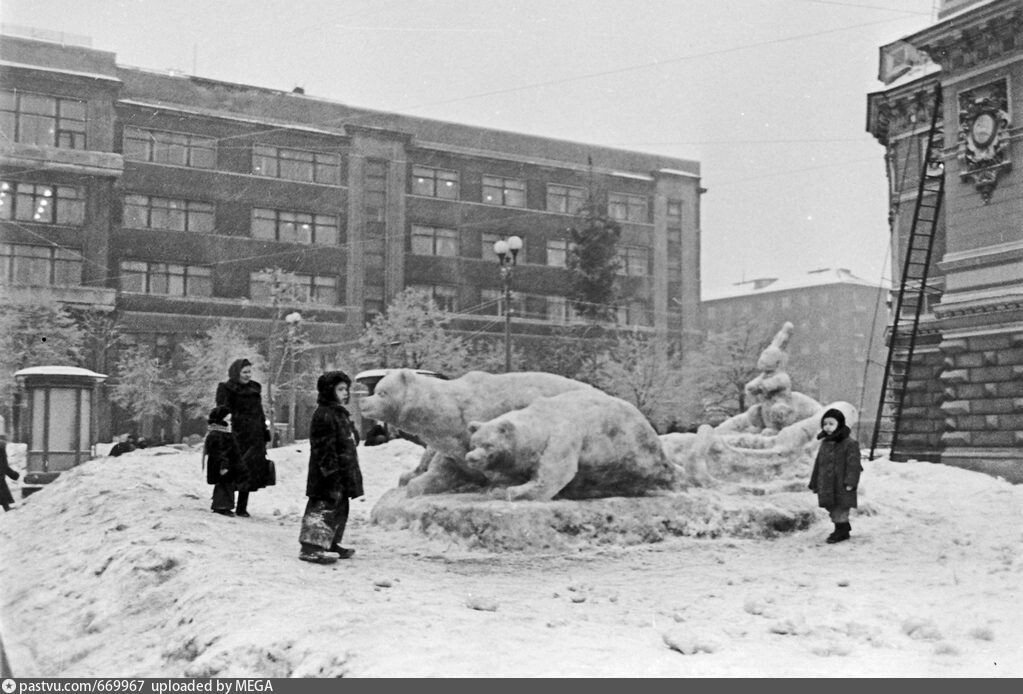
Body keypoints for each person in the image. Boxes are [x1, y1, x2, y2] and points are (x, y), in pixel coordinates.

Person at [299, 370, 364, 565]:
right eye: (340, 389)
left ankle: (331, 543)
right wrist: (330, 472)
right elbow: (323, 447)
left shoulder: (339, 414)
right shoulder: (324, 414)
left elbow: (347, 441)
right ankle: (311, 547)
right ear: (329, 391)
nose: (345, 393)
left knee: (339, 509)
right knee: (322, 509)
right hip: (327, 475)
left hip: (342, 473)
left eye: (346, 389)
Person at [215, 358, 272, 518]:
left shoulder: (254, 389)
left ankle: (242, 507)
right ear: (236, 373)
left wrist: (264, 431)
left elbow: (259, 412)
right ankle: (222, 504)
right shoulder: (226, 389)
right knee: (229, 468)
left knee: (249, 470)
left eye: (249, 372)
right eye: (244, 372)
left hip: (254, 437)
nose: (248, 375)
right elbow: (222, 411)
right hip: (235, 435)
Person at [808, 407, 863, 544]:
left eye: (831, 424)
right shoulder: (825, 443)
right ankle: (843, 527)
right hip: (827, 483)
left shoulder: (849, 443)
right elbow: (819, 463)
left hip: (841, 484)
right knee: (832, 508)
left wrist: (851, 482)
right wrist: (815, 481)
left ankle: (841, 531)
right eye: (825, 424)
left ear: (840, 424)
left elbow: (853, 465)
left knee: (840, 508)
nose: (827, 427)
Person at [203, 406, 246, 516]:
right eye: (227, 418)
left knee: (227, 485)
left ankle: (223, 506)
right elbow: (219, 451)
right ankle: (221, 506)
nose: (230, 421)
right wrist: (224, 464)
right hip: (224, 465)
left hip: (227, 464)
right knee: (224, 485)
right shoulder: (218, 434)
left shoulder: (222, 432)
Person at [1, 434, 19, 512]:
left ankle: (6, 507)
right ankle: (7, 508)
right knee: (2, 491)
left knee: (2, 491)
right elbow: (4, 465)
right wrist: (14, 475)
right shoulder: (2, 448)